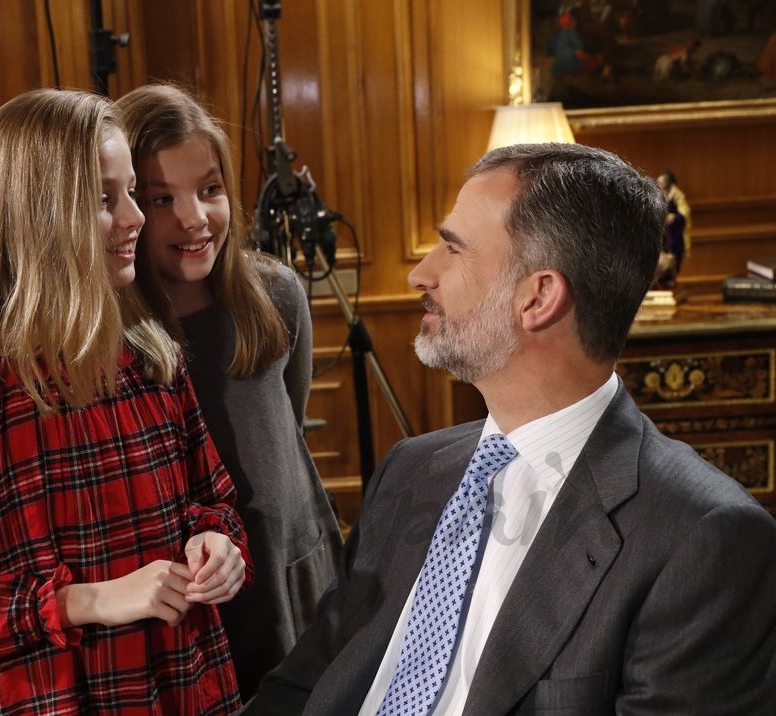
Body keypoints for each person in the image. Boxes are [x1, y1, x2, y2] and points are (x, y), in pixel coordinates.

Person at [243, 143, 776, 714]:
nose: (420, 273)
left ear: (538, 297)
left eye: (453, 250)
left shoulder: (702, 539)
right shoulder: (411, 469)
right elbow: (302, 685)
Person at [0, 88, 252, 716]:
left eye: (132, 195)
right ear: (33, 217)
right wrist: (90, 600)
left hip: (187, 687)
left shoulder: (152, 355)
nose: (136, 218)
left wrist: (218, 545)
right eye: (102, 199)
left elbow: (214, 500)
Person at [115, 83, 343, 700]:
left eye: (210, 189)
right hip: (196, 589)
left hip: (293, 566)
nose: (195, 218)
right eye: (162, 198)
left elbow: (287, 430)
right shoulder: (118, 334)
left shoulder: (276, 295)